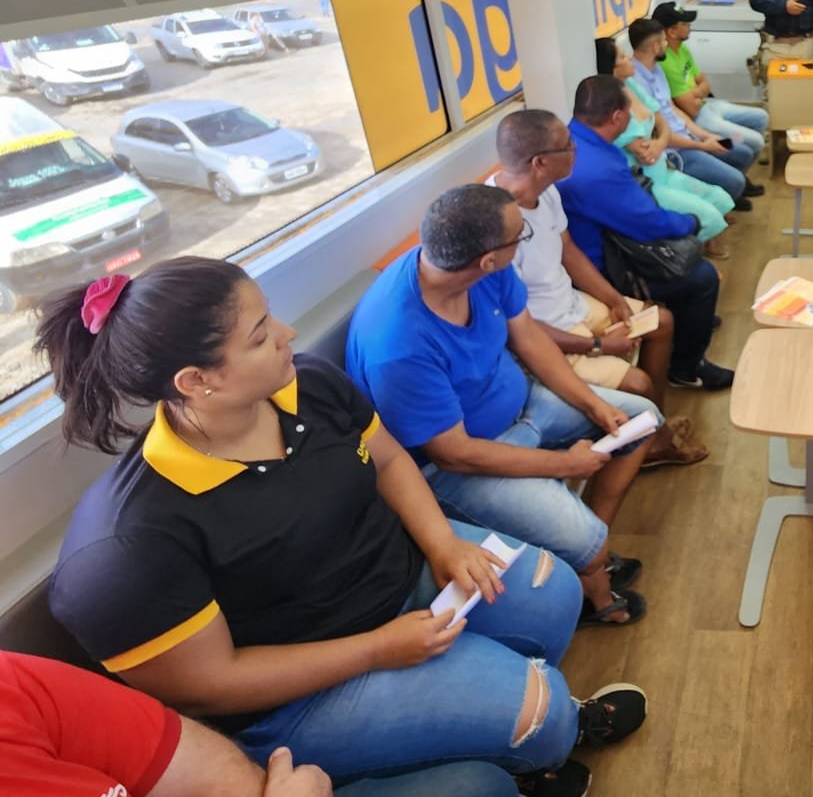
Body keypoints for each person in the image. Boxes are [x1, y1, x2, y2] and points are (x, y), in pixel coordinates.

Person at [41, 259, 642, 794]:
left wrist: (442, 543)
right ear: (197, 381)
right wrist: (376, 650)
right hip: (300, 693)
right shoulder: (127, 546)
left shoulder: (307, 385)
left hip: (396, 580)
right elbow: (210, 686)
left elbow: (389, 461)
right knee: (539, 713)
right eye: (261, 335)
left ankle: (507, 723)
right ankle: (537, 748)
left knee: (555, 592)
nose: (288, 334)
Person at [345, 185, 657, 627]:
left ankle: (591, 555)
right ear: (488, 259)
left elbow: (528, 338)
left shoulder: (481, 272)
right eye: (520, 235)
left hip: (522, 404)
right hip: (458, 466)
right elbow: (455, 454)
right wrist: (564, 465)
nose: (524, 239)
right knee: (586, 539)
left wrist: (592, 404)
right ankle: (594, 579)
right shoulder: (398, 344)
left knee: (640, 420)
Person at [492, 107, 708, 467]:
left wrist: (613, 299)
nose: (576, 149)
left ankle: (653, 435)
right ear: (540, 162)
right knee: (638, 384)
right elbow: (521, 329)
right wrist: (598, 345)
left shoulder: (546, 191)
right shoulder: (496, 223)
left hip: (573, 305)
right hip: (547, 334)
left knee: (661, 321)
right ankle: (647, 439)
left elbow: (569, 252)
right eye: (568, 146)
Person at [0, 649, 520, 795]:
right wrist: (377, 650)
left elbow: (185, 762)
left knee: (479, 784)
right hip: (276, 718)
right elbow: (212, 683)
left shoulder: (11, 684)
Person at [557, 75, 735, 390]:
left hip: (604, 244)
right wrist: (690, 222)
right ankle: (687, 368)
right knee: (702, 276)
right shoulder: (597, 169)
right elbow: (648, 223)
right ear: (617, 117)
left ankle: (691, 320)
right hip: (608, 265)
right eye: (629, 112)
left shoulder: (575, 140)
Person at [599, 34, 739, 243]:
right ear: (611, 68)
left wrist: (660, 143)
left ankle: (700, 246)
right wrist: (665, 143)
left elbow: (662, 122)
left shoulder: (631, 86)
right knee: (709, 217)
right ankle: (681, 255)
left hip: (663, 168)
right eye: (622, 57)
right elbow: (646, 154)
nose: (629, 57)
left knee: (721, 199)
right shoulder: (613, 108)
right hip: (647, 183)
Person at [626, 18, 761, 203]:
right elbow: (659, 133)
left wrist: (705, 136)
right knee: (736, 181)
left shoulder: (656, 69)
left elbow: (673, 109)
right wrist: (702, 146)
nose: (667, 44)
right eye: (664, 41)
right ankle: (727, 193)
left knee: (743, 153)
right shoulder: (634, 83)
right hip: (677, 151)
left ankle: (729, 190)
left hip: (689, 137)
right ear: (655, 47)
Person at [654, 0, 770, 164]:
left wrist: (695, 93)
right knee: (756, 141)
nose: (690, 26)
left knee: (761, 117)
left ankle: (734, 154)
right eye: (685, 24)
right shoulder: (664, 62)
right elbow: (691, 108)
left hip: (707, 104)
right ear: (672, 32)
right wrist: (698, 91)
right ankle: (730, 154)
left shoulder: (682, 48)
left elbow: (705, 83)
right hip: (697, 118)